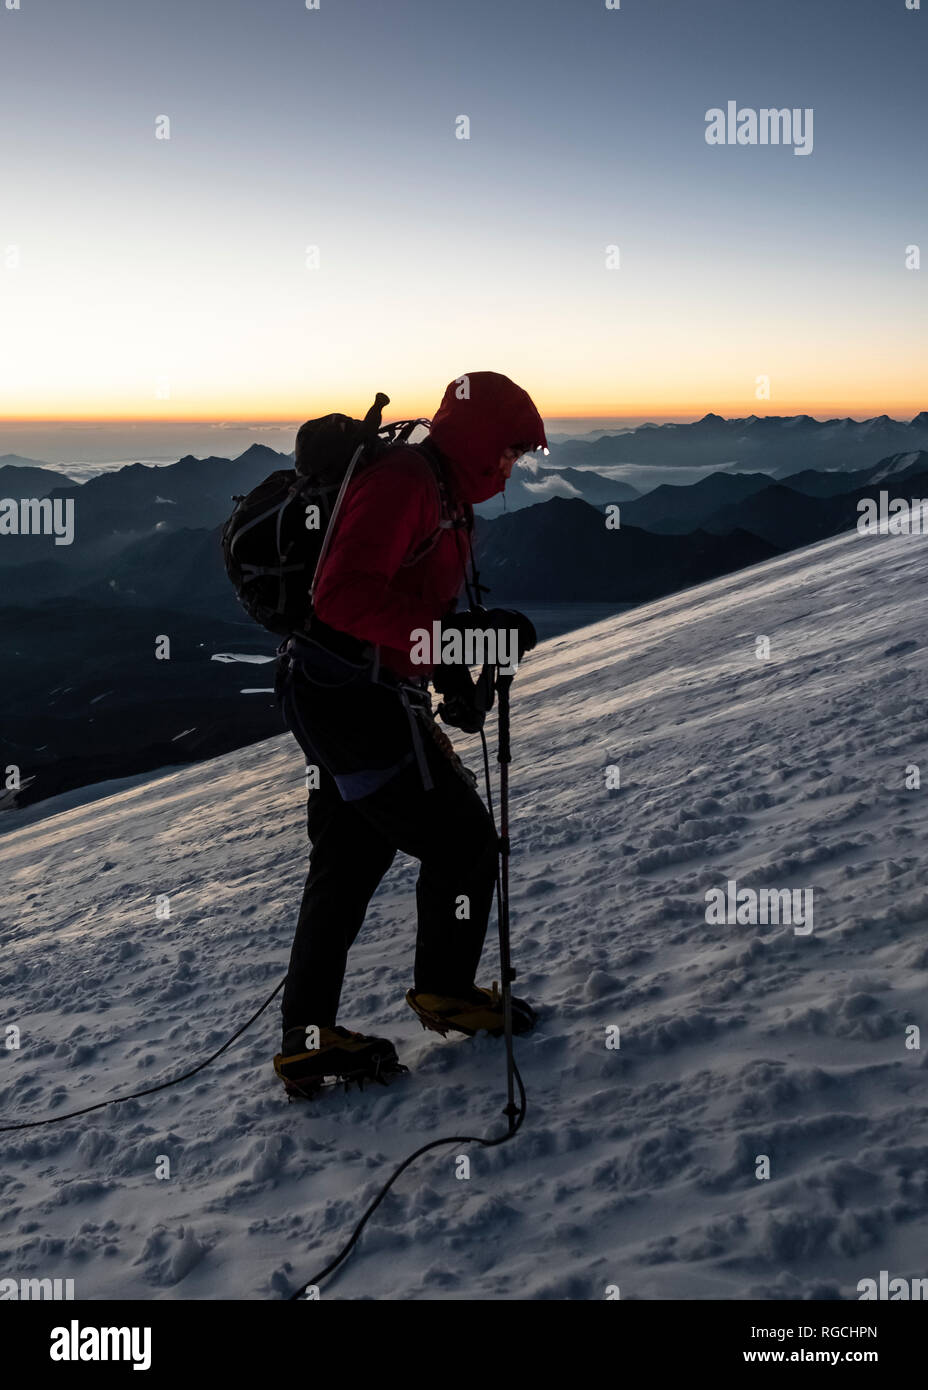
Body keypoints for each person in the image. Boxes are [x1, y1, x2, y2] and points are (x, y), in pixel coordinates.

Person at [273, 371, 547, 1096]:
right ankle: (446, 988)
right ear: (483, 443)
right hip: (350, 697)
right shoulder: (407, 485)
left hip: (348, 688)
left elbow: (411, 605)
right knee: (461, 843)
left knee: (348, 860)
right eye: (509, 451)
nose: (511, 468)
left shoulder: (448, 499)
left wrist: (453, 674)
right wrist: (458, 646)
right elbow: (344, 596)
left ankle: (307, 1041)